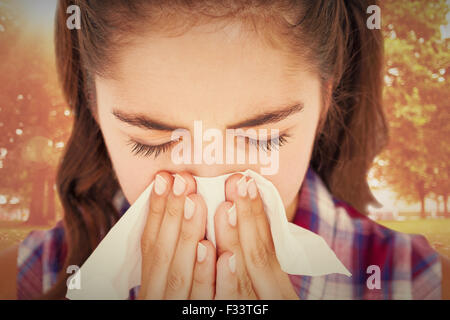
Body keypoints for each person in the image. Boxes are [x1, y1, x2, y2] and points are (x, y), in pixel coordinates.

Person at [0, 0, 449, 300]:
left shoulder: (417, 282)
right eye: (150, 140)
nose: (210, 185)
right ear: (95, 107)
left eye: (264, 138)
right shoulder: (26, 279)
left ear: (325, 99)